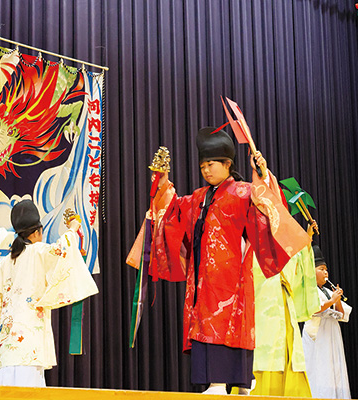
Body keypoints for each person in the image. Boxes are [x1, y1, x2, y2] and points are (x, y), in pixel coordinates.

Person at [128, 127, 310, 394]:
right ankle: (221, 382)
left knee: (227, 324)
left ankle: (230, 382)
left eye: (211, 164)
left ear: (227, 164)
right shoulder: (199, 197)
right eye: (202, 165)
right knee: (206, 325)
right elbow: (173, 211)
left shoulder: (242, 192)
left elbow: (269, 206)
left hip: (231, 277)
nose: (206, 170)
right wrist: (163, 183)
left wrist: (262, 175)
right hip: (203, 279)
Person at [0, 199, 99, 387]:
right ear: (36, 232)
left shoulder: (5, 262)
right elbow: (62, 249)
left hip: (7, 349)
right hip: (29, 348)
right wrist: (73, 228)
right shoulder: (37, 252)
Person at [249, 221, 320, 396]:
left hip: (284, 300)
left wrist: (307, 239)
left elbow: (298, 262)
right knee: (265, 348)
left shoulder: (284, 244)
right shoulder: (254, 243)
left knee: (289, 348)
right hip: (264, 303)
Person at [302, 245, 352, 399]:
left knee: (334, 367)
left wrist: (336, 300)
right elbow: (313, 309)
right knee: (319, 368)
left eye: (326, 270)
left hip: (331, 335)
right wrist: (332, 300)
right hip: (317, 335)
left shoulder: (328, 291)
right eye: (321, 269)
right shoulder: (307, 289)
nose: (325, 273)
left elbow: (341, 315)